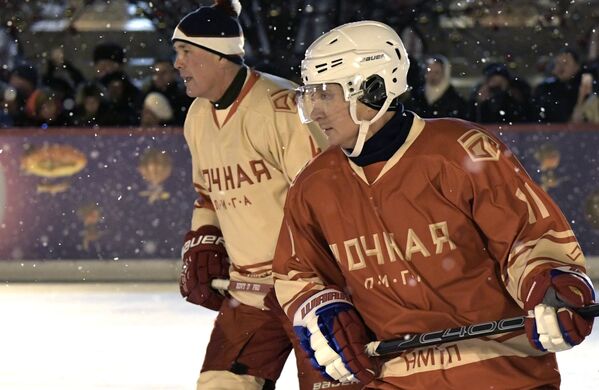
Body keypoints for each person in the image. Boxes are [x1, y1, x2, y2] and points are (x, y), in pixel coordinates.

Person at [272, 20, 596, 389]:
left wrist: (550, 281)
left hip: (500, 371)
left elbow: (528, 237)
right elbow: (297, 272)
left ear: (375, 89)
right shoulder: (314, 184)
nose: (314, 111)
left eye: (326, 94)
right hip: (394, 376)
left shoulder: (460, 151)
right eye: (309, 96)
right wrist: (320, 308)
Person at [171, 1, 355, 390]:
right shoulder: (197, 117)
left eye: (185, 52)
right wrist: (202, 239)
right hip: (249, 294)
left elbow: (326, 202)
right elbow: (207, 195)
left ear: (218, 56)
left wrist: (299, 277)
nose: (177, 63)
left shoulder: (282, 109)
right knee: (220, 385)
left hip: (312, 288)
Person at [404, 55, 467, 119]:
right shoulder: (417, 94)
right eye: (430, 72)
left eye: (436, 72)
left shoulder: (455, 100)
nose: (432, 76)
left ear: (444, 73)